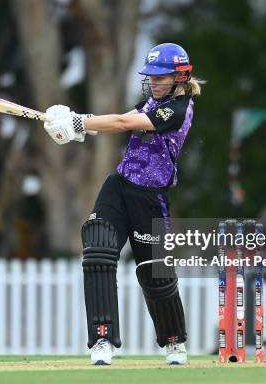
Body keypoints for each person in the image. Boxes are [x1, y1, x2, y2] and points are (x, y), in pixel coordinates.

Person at [43, 43, 203, 365]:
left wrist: (77, 123)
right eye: (151, 78)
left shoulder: (179, 108)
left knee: (155, 275)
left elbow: (125, 124)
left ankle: (174, 342)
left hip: (151, 197)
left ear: (180, 77)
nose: (154, 83)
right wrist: (79, 125)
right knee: (98, 251)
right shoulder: (152, 103)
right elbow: (123, 117)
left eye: (160, 78)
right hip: (119, 186)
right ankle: (102, 340)